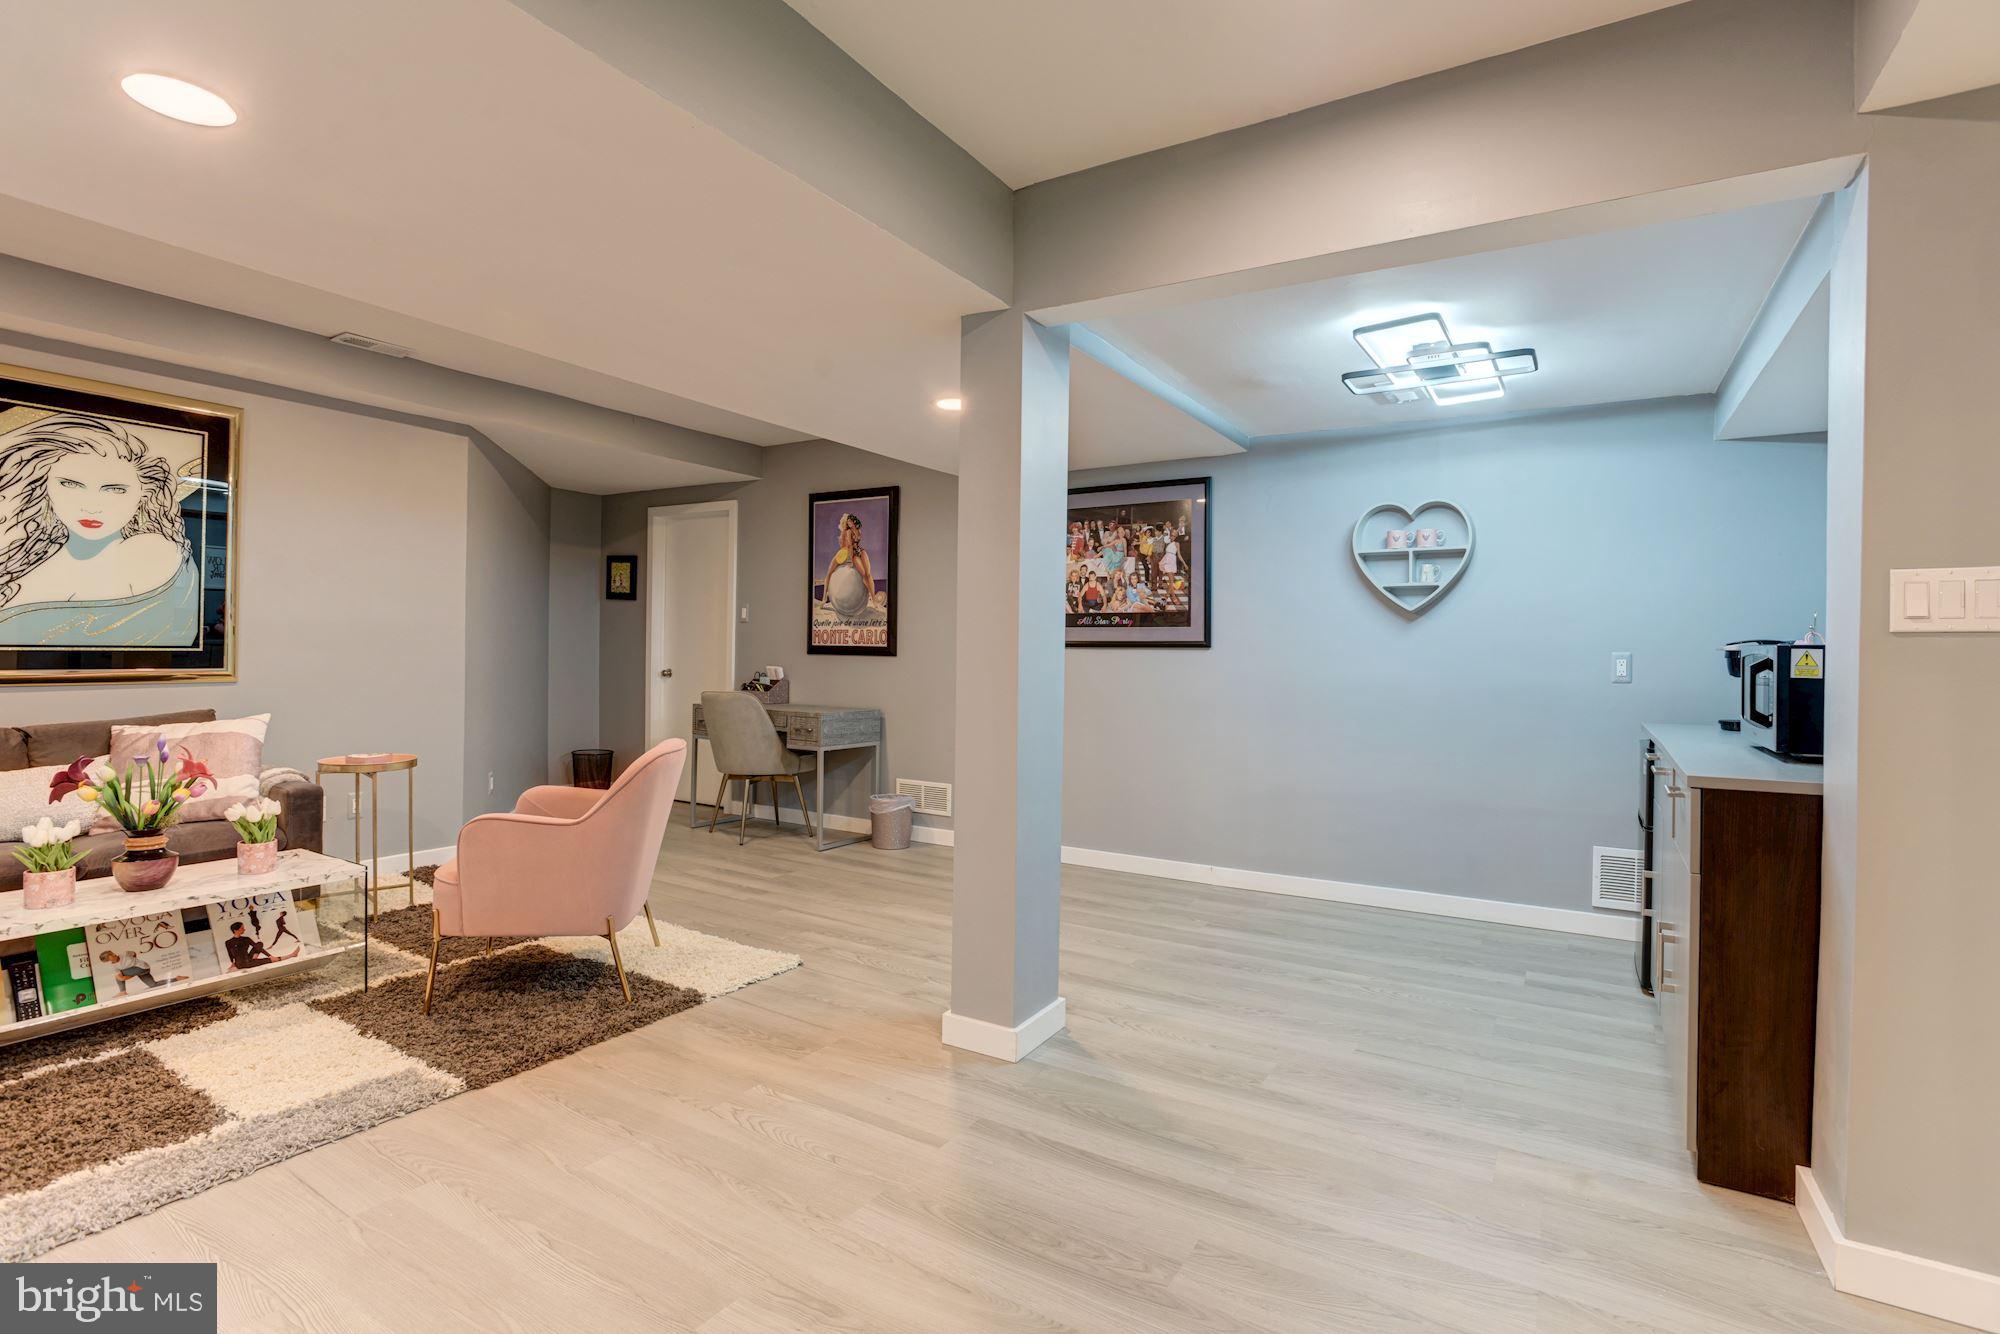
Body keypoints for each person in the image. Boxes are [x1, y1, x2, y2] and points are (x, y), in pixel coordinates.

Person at [0, 414, 198, 645]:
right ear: (44, 486)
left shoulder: (150, 549)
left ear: (143, 497)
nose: (91, 506)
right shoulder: (34, 553)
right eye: (70, 484)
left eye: (114, 489)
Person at [819, 511, 879, 618]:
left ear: (854, 521)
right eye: (848, 522)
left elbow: (852, 546)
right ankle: (824, 598)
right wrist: (850, 560)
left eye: (850, 521)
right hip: (848, 553)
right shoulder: (847, 532)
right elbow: (849, 546)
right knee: (829, 573)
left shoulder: (856, 531)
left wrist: (851, 558)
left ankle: (873, 599)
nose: (849, 523)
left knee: (867, 574)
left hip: (858, 552)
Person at [96, 949, 189, 995]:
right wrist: (134, 973)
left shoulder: (124, 953)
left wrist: (134, 962)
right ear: (108, 960)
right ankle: (177, 978)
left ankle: (122, 991)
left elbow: (133, 953)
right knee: (153, 985)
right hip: (137, 971)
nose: (113, 955)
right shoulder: (114, 966)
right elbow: (122, 978)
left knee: (118, 976)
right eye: (110, 957)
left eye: (111, 954)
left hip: (143, 968)